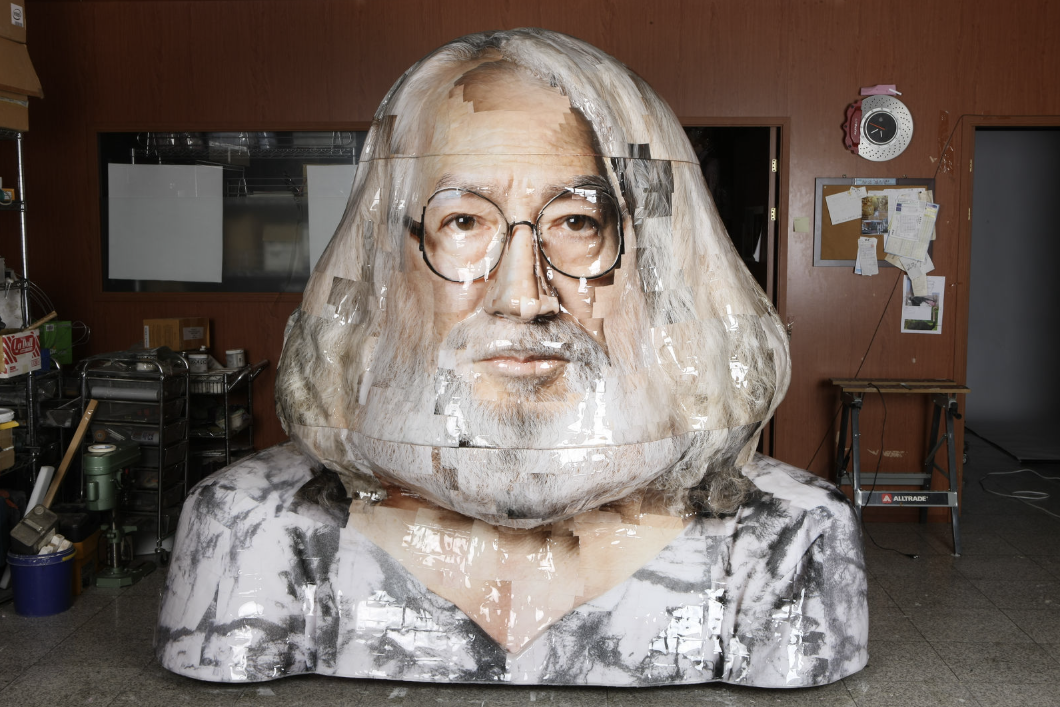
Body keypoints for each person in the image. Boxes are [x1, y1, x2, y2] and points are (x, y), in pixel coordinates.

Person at [157, 28, 868, 688]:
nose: (523, 296)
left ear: (660, 267)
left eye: (578, 222)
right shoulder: (250, 530)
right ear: (386, 264)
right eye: (463, 221)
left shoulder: (786, 541)